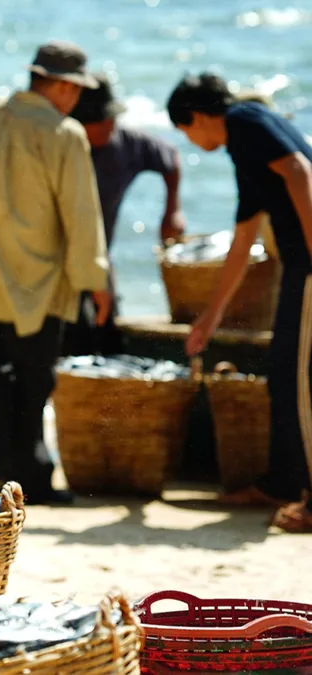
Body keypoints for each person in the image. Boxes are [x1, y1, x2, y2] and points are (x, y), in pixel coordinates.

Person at [0, 41, 111, 505]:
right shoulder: (65, 134)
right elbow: (83, 216)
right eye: (76, 89)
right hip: (36, 283)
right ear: (62, 86)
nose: (77, 99)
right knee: (34, 382)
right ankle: (31, 481)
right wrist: (94, 281)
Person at [170, 73, 312, 533]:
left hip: (308, 264)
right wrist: (208, 320)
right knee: (285, 372)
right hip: (298, 267)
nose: (189, 141)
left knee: (304, 381)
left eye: (185, 131)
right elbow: (243, 240)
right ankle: (282, 483)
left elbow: (300, 172)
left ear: (196, 116)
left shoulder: (246, 120)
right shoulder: (245, 146)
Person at [62, 73, 185, 356]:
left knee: (105, 344)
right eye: (100, 120)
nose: (110, 124)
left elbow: (170, 157)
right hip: (57, 268)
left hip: (100, 263)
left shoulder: (125, 144)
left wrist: (172, 210)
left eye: (112, 117)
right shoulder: (60, 149)